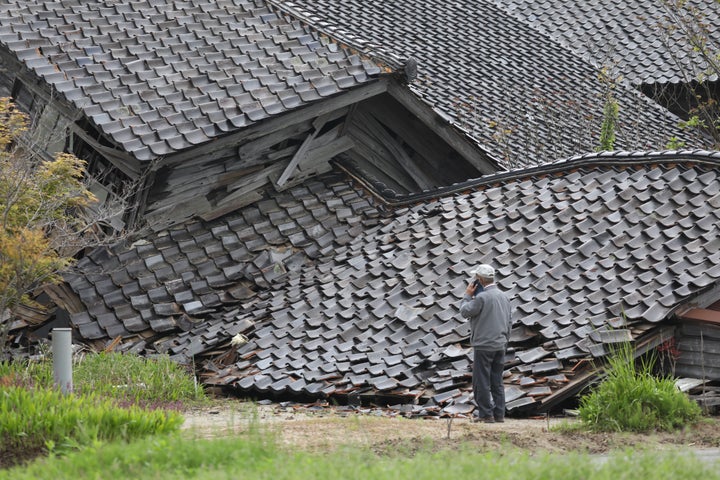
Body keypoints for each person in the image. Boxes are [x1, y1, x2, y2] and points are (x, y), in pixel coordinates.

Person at [460, 264, 512, 423]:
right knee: (497, 380)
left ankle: (486, 414)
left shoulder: (482, 298)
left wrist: (467, 296)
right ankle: (499, 414)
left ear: (480, 280)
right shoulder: (504, 296)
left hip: (484, 345)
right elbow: (509, 322)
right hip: (500, 344)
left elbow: (465, 311)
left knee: (481, 380)